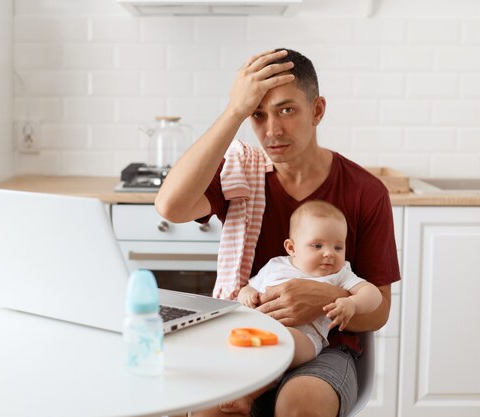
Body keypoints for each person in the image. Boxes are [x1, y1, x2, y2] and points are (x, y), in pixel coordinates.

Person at [155, 48, 401, 417]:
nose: (271, 130)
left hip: (326, 347)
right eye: (258, 114)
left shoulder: (365, 191)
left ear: (317, 110)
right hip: (248, 336)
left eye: (287, 110)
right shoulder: (241, 175)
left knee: (299, 405)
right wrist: (234, 110)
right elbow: (170, 206)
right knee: (209, 411)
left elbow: (378, 311)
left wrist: (324, 299)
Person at [219, 200, 382, 415]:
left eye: (338, 247)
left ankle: (248, 396)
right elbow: (249, 287)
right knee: (238, 350)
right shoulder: (275, 266)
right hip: (259, 335)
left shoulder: (339, 273)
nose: (329, 253)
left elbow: (373, 295)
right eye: (317, 245)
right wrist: (247, 295)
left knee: (279, 344)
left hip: (306, 339)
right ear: (292, 248)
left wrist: (351, 302)